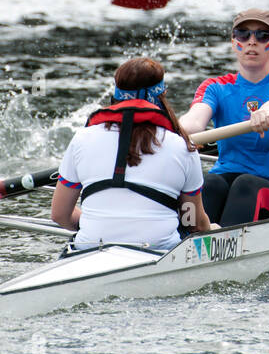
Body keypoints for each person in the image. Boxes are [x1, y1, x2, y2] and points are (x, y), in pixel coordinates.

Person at [53, 58, 210, 251]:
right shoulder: (182, 147)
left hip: (91, 246)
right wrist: (212, 230)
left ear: (116, 97)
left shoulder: (82, 139)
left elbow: (59, 215)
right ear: (161, 97)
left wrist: (92, 225)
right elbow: (192, 222)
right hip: (159, 250)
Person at [179, 10, 269, 226]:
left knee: (245, 184)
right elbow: (194, 121)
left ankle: (219, 245)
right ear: (233, 42)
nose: (252, 42)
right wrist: (169, 130)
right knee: (208, 183)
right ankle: (183, 246)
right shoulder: (215, 87)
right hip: (225, 178)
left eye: (262, 35)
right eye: (243, 34)